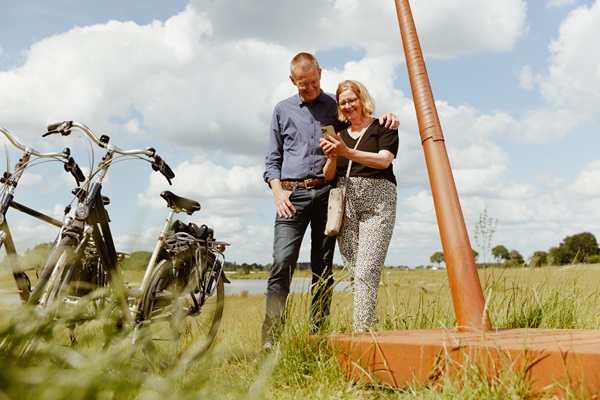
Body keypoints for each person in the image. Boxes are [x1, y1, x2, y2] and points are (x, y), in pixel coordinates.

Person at [262, 53, 398, 347]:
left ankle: (317, 335)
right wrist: (277, 191)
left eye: (313, 82)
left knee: (322, 267)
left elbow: (362, 119)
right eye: (302, 84)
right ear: (292, 81)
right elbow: (272, 159)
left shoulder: (334, 107)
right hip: (291, 195)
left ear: (320, 74)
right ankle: (270, 340)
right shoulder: (281, 110)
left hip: (328, 194)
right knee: (282, 262)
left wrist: (390, 117)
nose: (309, 88)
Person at [320, 79, 398, 332]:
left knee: (367, 269)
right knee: (355, 271)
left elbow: (384, 161)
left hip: (378, 200)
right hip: (347, 203)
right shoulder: (340, 135)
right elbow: (330, 175)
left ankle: (361, 332)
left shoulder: (383, 126)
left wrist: (347, 152)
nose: (348, 106)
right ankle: (369, 324)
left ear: (362, 99)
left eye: (352, 100)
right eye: (343, 103)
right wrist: (333, 156)